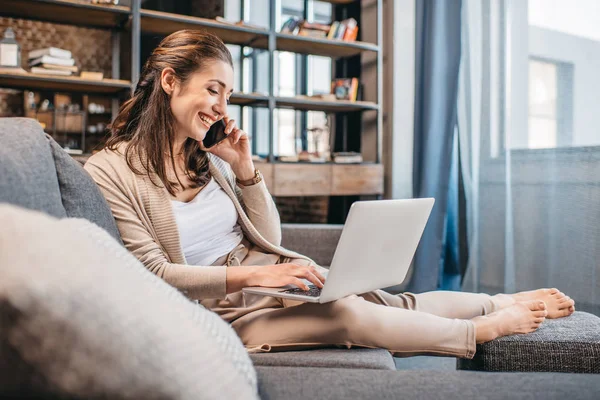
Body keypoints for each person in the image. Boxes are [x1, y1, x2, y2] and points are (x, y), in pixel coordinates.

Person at [85, 30, 575, 358]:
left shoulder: (209, 159)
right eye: (213, 90)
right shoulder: (110, 169)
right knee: (345, 312)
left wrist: (246, 171)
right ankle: (479, 332)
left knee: (384, 301)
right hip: (218, 311)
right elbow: (153, 273)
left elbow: (269, 236)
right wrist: (265, 279)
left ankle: (498, 301)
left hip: (259, 276)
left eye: (228, 95)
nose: (220, 106)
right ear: (170, 82)